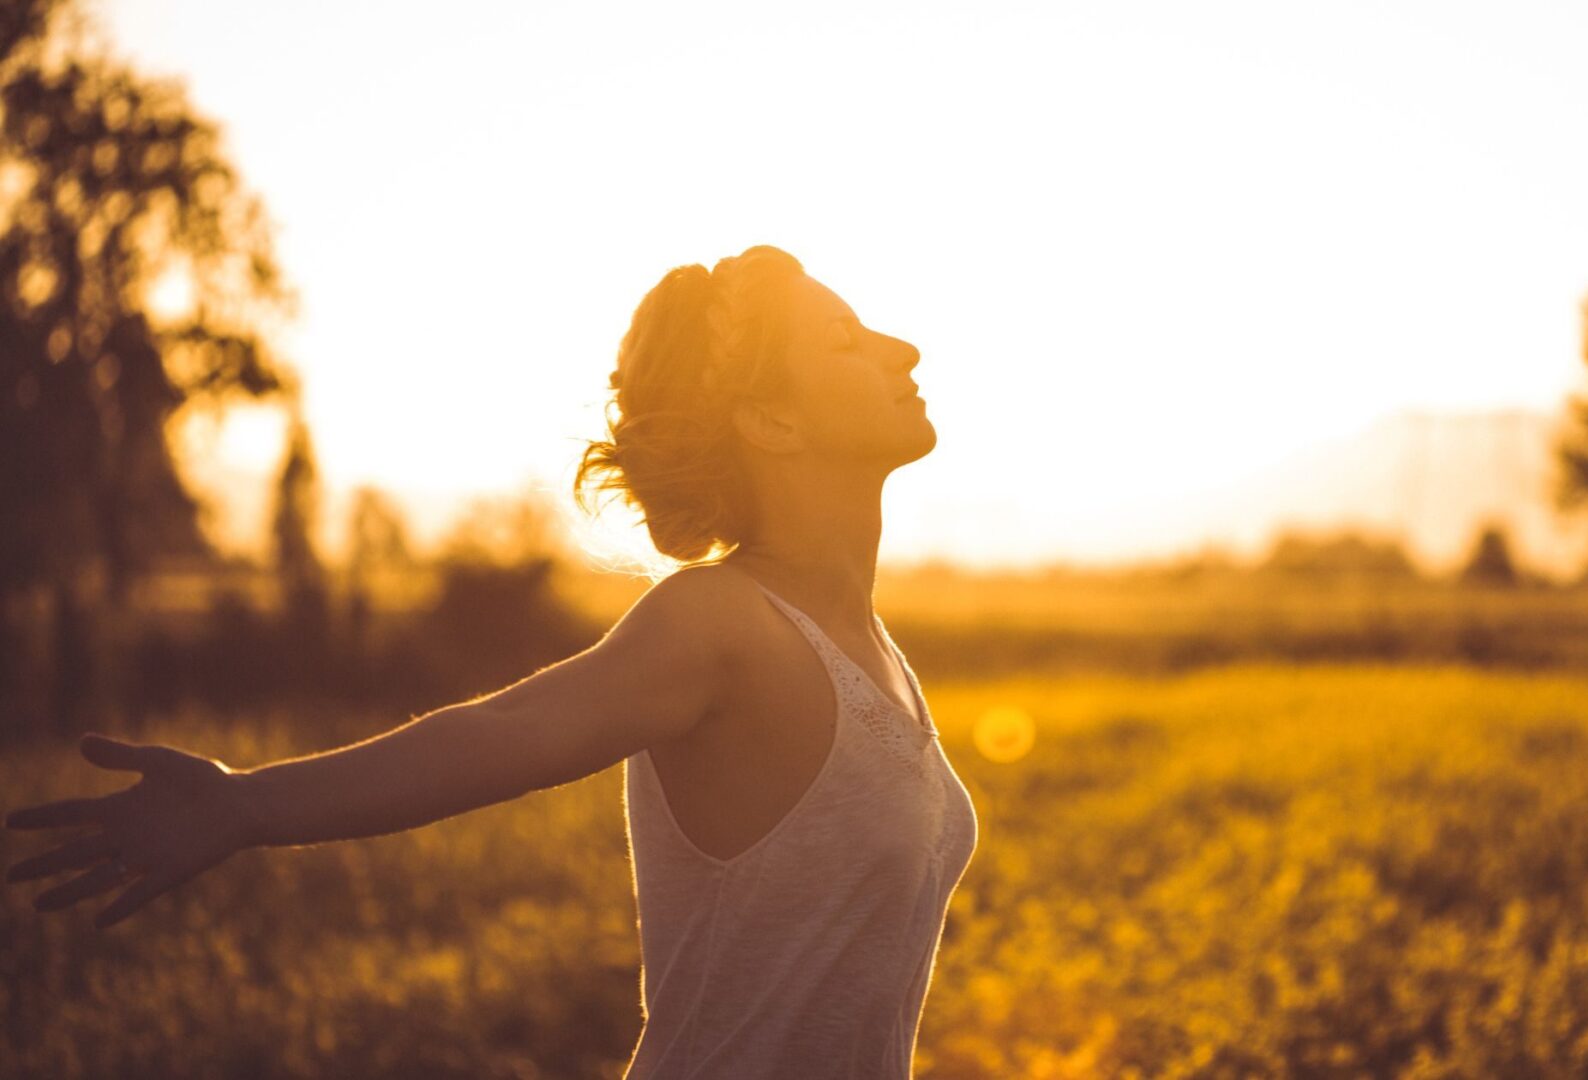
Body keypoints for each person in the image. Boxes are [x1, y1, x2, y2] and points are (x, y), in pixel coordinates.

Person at [4, 244, 979, 1079]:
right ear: (774, 423)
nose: (904, 349)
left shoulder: (871, 646)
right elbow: (501, 730)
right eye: (849, 342)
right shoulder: (721, 625)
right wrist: (243, 804)